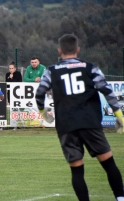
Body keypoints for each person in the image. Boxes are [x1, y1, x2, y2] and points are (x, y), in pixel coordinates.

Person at [36, 34, 124, 201]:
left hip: (66, 125)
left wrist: (43, 113)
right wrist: (119, 115)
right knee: (108, 163)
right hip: (90, 122)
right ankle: (120, 198)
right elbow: (107, 90)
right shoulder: (90, 68)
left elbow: (40, 92)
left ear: (59, 50)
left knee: (77, 170)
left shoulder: (51, 71)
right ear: (78, 49)